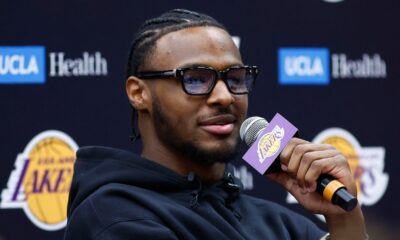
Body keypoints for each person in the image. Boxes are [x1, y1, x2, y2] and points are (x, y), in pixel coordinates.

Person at [64, 9, 367, 240]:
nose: (224, 97)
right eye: (195, 79)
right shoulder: (112, 217)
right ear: (138, 93)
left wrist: (343, 221)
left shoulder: (282, 224)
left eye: (235, 79)